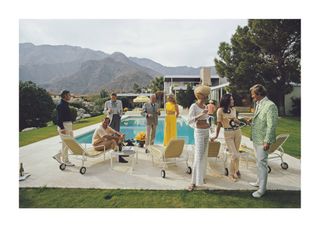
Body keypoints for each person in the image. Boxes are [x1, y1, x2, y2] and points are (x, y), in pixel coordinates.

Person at [247, 84, 278, 198]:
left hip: (263, 140)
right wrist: (252, 120)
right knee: (258, 163)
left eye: (253, 94)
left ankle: (262, 189)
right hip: (256, 139)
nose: (252, 96)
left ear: (259, 94)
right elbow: (261, 119)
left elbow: (272, 125)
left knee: (262, 164)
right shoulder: (259, 104)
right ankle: (258, 182)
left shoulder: (270, 106)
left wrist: (267, 141)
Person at [211, 94, 242, 182]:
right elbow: (219, 124)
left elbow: (235, 120)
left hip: (238, 132)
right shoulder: (220, 110)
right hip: (228, 133)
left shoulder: (233, 109)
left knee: (237, 154)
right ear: (226, 100)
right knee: (234, 154)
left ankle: (236, 170)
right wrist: (216, 135)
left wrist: (241, 121)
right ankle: (231, 175)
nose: (233, 101)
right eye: (231, 99)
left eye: (233, 99)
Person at [187, 85, 211, 191]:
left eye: (206, 95)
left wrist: (210, 126)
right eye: (204, 95)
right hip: (199, 132)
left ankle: (200, 178)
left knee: (204, 155)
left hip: (206, 131)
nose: (206, 96)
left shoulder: (205, 105)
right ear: (199, 95)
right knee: (198, 156)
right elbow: (190, 120)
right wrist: (201, 114)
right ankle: (192, 182)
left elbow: (206, 119)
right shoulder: (194, 106)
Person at [52, 90, 74, 166]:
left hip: (68, 125)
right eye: (69, 95)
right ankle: (65, 161)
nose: (70, 96)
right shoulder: (61, 105)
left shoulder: (65, 104)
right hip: (65, 126)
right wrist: (62, 128)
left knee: (69, 143)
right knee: (67, 143)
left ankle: (59, 155)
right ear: (65, 96)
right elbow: (59, 119)